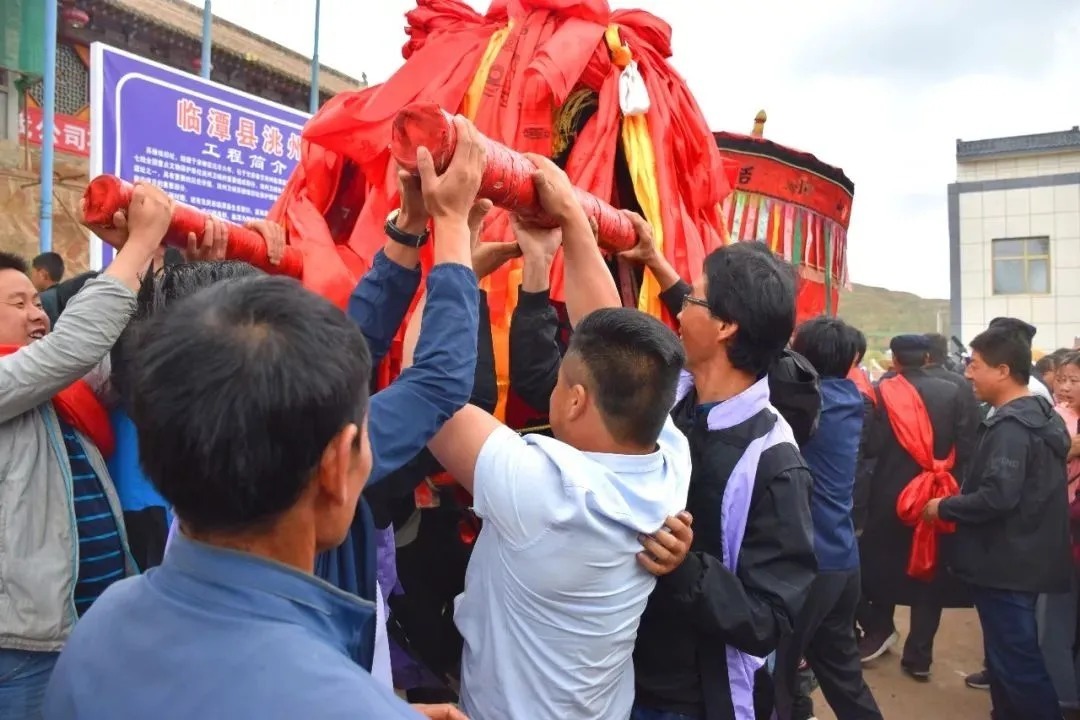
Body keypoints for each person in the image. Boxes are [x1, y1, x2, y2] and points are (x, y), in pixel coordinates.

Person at [423, 155, 693, 720]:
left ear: (574, 400)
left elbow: (430, 394)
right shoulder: (668, 458)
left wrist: (456, 248)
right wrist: (571, 215)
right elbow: (609, 335)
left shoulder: (543, 491)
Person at [627, 223, 817, 720]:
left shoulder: (772, 461)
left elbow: (771, 618)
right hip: (625, 671)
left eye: (694, 297)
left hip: (691, 700)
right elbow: (690, 317)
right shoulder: (678, 399)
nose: (681, 306)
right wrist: (651, 257)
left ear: (726, 327)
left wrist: (685, 567)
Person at [0, 183, 173, 719]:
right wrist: (136, 248)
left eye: (36, 300)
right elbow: (74, 345)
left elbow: (119, 351)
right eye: (17, 302)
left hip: (88, 626)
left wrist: (154, 262)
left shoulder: (60, 390)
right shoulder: (20, 379)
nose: (38, 313)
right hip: (21, 647)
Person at [924, 319, 1071, 720]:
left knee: (1018, 666)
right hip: (1024, 558)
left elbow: (997, 496)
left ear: (1003, 371)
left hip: (1007, 563)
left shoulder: (1012, 426)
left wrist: (945, 507)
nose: (968, 372)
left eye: (975, 364)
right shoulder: (1041, 414)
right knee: (1009, 664)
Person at [773, 317, 882, 720]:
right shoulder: (851, 399)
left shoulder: (807, 400)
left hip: (808, 563)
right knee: (842, 674)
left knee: (778, 673)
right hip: (842, 560)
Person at [857, 335, 973, 680]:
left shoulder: (884, 391)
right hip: (938, 494)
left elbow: (873, 445)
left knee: (880, 565)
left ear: (894, 360)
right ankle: (919, 657)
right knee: (930, 574)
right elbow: (966, 446)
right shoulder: (955, 390)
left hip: (891, 495)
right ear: (926, 358)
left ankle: (879, 630)